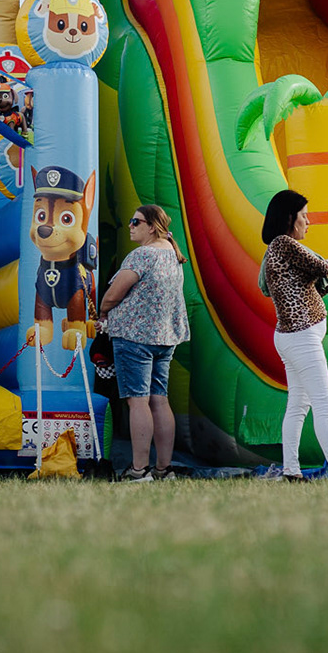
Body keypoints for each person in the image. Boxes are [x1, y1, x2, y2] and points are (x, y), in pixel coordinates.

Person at [259, 189, 328, 482]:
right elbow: (323, 267)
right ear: (289, 218)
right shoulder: (283, 244)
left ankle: (291, 471)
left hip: (294, 337)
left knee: (299, 405)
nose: (308, 222)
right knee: (324, 403)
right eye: (304, 216)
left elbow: (317, 289)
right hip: (300, 337)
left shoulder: (283, 249)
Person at [96, 204, 191, 481]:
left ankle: (139, 470)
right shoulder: (172, 254)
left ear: (151, 227)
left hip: (134, 338)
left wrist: (103, 312)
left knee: (138, 402)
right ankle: (163, 468)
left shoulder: (141, 255)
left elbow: (114, 294)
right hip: (165, 337)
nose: (130, 225)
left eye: (135, 221)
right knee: (159, 400)